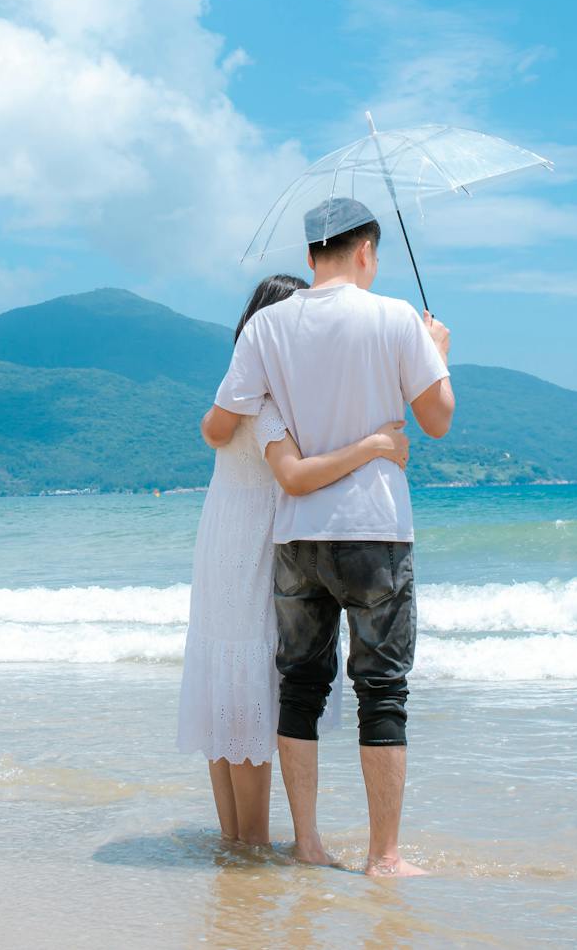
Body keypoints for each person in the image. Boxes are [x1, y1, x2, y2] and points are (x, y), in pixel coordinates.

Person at [205, 197, 455, 877]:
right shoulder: (397, 317)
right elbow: (436, 420)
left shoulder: (266, 328)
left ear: (312, 254)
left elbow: (225, 417)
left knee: (299, 690)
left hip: (297, 535)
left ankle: (307, 843)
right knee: (384, 691)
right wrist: (437, 355)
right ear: (366, 251)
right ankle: (384, 855)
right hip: (375, 528)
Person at [178, 273, 413, 846]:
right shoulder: (264, 402)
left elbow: (212, 431)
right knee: (252, 693)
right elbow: (294, 476)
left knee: (228, 696)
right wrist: (375, 447)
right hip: (254, 548)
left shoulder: (234, 394)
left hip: (223, 545)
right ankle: (252, 848)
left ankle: (236, 843)